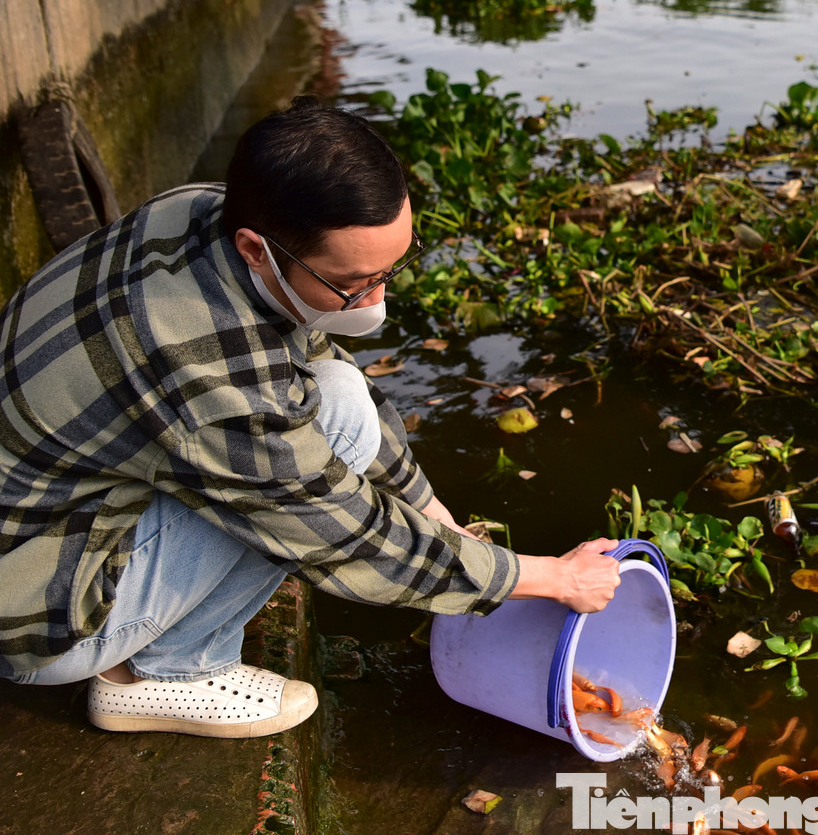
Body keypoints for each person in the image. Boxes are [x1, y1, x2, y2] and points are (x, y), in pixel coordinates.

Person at [0, 98, 621, 738]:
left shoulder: (203, 210)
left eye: (391, 269)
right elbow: (344, 537)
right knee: (300, 496)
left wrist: (444, 522)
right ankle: (169, 675)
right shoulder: (211, 376)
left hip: (54, 504)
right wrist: (551, 577)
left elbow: (311, 356)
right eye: (354, 283)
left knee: (341, 393)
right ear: (257, 249)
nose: (377, 299)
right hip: (37, 611)